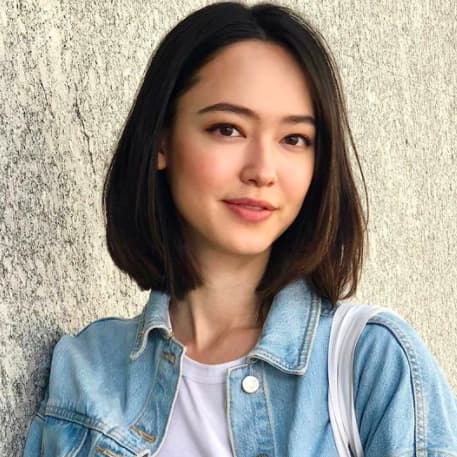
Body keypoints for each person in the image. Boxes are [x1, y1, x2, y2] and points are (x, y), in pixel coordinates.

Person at [23, 2, 457, 456]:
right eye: (228, 129)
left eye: (294, 139)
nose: (262, 171)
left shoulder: (372, 362)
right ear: (162, 141)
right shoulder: (87, 371)